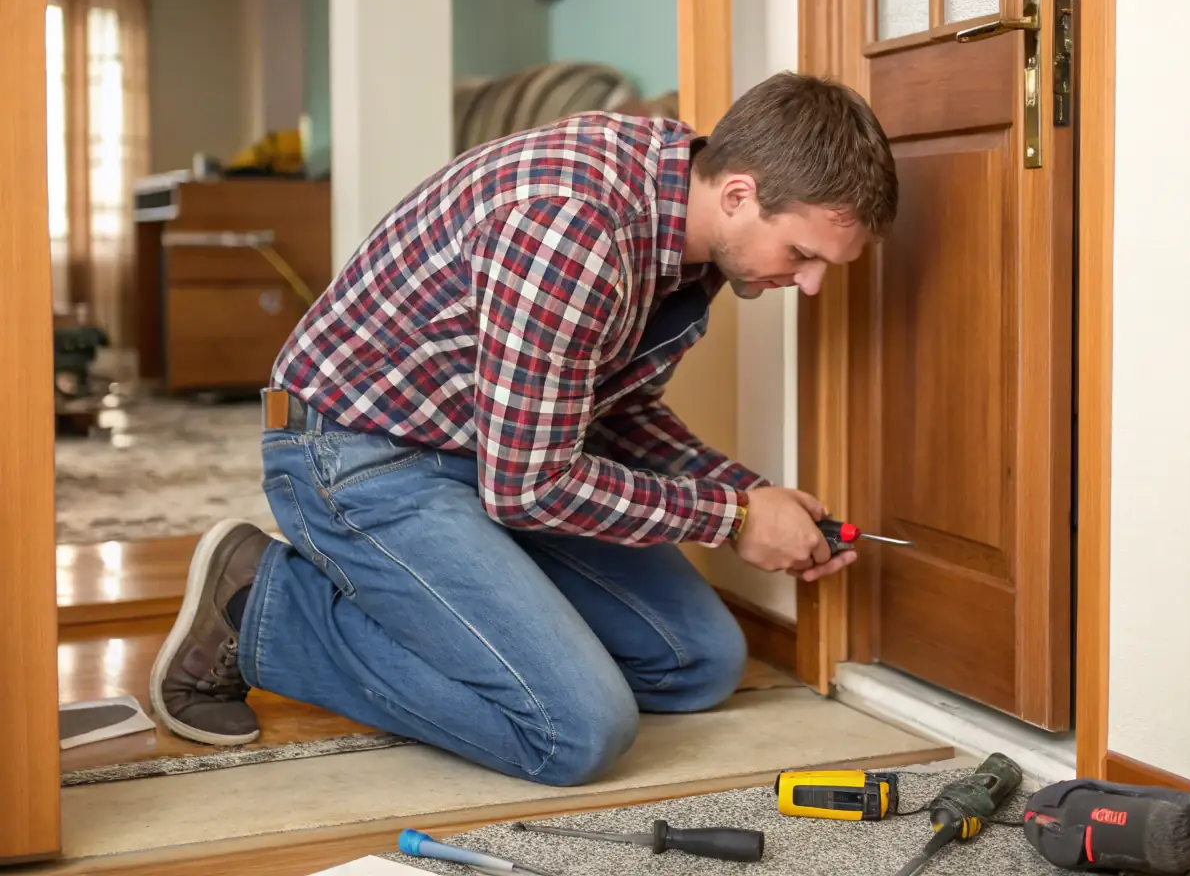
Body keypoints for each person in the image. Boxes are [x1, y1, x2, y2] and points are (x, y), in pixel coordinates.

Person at [148, 71, 898, 787]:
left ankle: (494, 623)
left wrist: (751, 495)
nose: (809, 284)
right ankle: (263, 605)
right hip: (359, 454)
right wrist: (731, 517)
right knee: (574, 732)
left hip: (489, 455)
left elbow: (617, 413)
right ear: (739, 193)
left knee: (695, 662)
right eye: (801, 255)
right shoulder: (573, 222)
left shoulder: (688, 240)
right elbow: (531, 486)